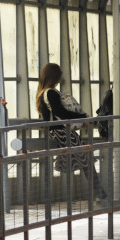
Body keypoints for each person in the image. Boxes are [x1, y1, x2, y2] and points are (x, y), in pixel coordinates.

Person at [35, 63, 105, 201]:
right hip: (61, 132)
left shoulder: (43, 93)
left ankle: (100, 194)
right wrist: (82, 117)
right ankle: (100, 194)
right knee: (87, 162)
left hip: (56, 132)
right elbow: (60, 113)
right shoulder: (51, 93)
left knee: (86, 161)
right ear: (54, 77)